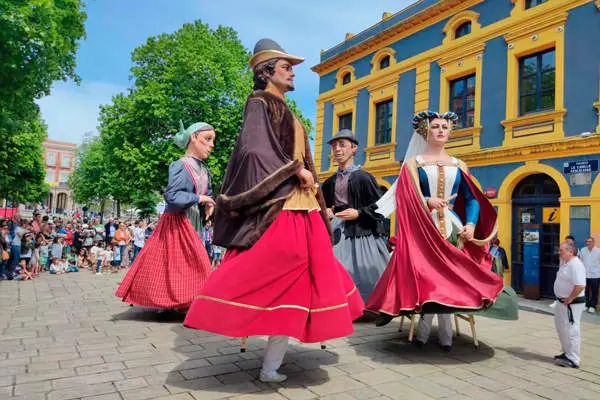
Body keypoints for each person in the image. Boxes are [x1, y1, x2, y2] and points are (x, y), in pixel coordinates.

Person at [183, 39, 364, 383]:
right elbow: (253, 151)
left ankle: (271, 365)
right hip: (286, 206)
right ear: (266, 73)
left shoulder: (284, 106)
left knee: (303, 280)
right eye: (286, 67)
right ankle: (262, 356)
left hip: (304, 205)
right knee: (278, 274)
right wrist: (295, 170)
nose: (293, 72)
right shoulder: (260, 102)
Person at [368, 111, 514, 349]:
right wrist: (427, 201)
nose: (440, 130)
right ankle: (425, 334)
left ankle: (443, 336)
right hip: (425, 227)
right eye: (435, 126)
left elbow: (471, 199)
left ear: (450, 132)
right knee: (430, 280)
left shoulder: (459, 164)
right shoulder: (413, 164)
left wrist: (470, 224)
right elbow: (405, 197)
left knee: (449, 280)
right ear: (426, 130)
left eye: (444, 127)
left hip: (453, 228)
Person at [115, 120, 215, 309]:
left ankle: (190, 300)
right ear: (193, 138)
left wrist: (209, 203)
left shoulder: (205, 170)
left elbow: (207, 193)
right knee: (176, 264)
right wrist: (201, 198)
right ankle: (170, 301)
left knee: (191, 263)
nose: (212, 145)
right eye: (207, 139)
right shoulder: (180, 165)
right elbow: (173, 196)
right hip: (177, 222)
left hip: (195, 222)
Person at [321, 129, 389, 302]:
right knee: (333, 269)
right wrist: (326, 211)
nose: (337, 149)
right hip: (335, 233)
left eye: (342, 145)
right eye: (334, 146)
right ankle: (340, 306)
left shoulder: (364, 178)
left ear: (354, 148)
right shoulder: (328, 183)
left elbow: (382, 207)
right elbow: (322, 207)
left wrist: (358, 213)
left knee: (365, 272)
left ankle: (365, 306)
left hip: (361, 233)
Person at [554, 241, 586, 368]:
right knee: (562, 328)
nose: (559, 252)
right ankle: (567, 352)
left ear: (570, 251)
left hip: (572, 304)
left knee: (571, 330)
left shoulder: (576, 265)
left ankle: (573, 358)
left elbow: (580, 285)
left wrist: (570, 298)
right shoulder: (565, 263)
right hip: (562, 302)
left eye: (561, 250)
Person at [579, 237, 600, 313]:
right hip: (585, 274)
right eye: (587, 241)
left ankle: (592, 306)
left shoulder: (598, 251)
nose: (588, 243)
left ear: (594, 242)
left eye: (590, 241)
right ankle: (586, 304)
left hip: (595, 275)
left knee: (594, 291)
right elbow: (581, 261)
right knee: (585, 291)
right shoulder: (583, 250)